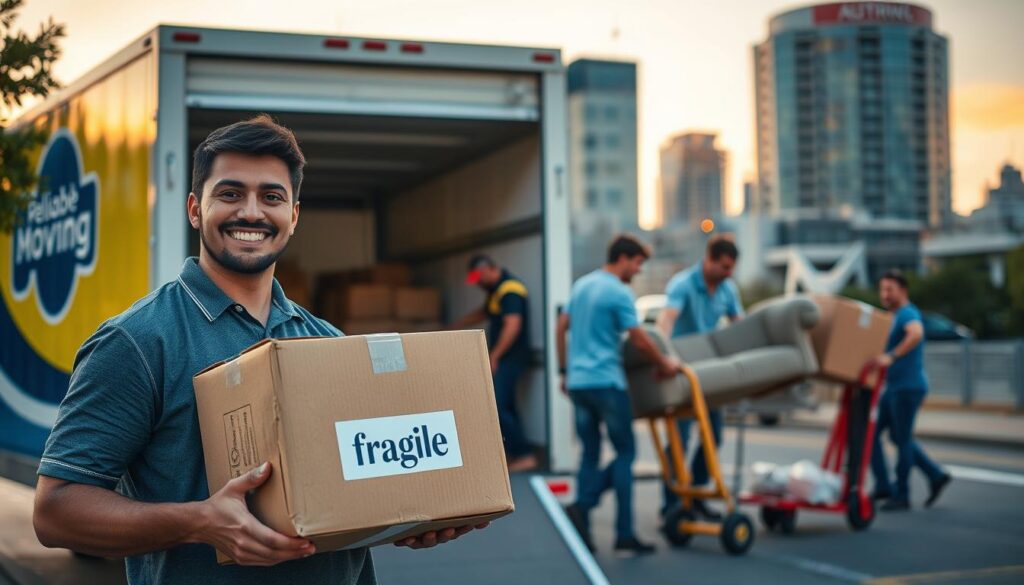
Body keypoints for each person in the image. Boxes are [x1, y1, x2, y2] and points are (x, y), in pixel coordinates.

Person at [32, 115, 485, 585]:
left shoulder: (327, 341)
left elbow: (361, 482)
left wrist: (413, 514)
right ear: (194, 208)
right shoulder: (139, 341)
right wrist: (200, 522)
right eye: (230, 194)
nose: (251, 212)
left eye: (271, 197)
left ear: (292, 215)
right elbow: (55, 511)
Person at [557, 234, 679, 555]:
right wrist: (664, 362)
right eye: (637, 264)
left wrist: (563, 371)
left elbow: (560, 328)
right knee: (625, 454)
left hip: (579, 384)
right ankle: (620, 530)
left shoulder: (581, 285)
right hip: (608, 383)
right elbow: (639, 339)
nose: (637, 271)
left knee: (590, 452)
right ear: (623, 258)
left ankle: (582, 519)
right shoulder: (619, 292)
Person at [654, 235, 743, 520]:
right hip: (681, 374)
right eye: (725, 267)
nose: (729, 273)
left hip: (710, 375)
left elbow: (740, 325)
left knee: (713, 436)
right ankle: (673, 503)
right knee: (678, 440)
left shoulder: (728, 290)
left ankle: (698, 493)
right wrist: (662, 354)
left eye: (732, 268)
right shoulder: (683, 284)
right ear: (709, 260)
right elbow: (667, 319)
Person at [869, 270, 952, 511]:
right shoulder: (891, 316)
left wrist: (891, 356)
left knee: (902, 440)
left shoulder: (908, 313)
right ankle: (931, 475)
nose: (884, 294)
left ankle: (901, 494)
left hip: (907, 387)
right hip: (894, 388)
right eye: (882, 289)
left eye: (889, 289)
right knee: (875, 433)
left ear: (902, 291)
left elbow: (916, 333)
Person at [449, 255, 536, 472]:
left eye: (479, 278)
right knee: (506, 405)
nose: (477, 283)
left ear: (489, 269)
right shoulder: (496, 291)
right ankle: (519, 453)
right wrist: (456, 325)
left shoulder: (510, 289)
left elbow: (513, 325)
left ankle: (524, 454)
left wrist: (494, 356)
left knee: (497, 404)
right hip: (505, 358)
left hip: (510, 358)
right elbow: (483, 312)